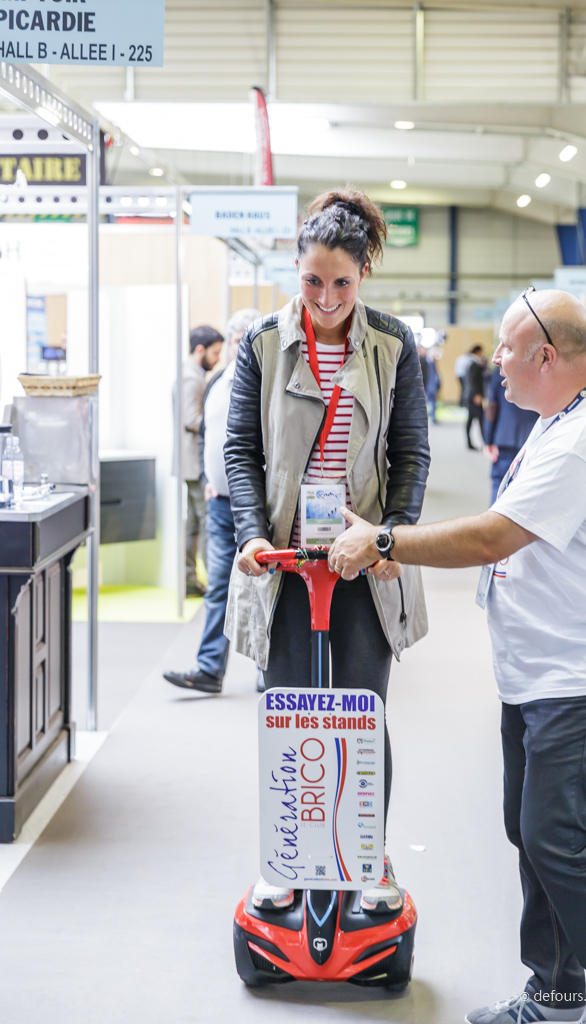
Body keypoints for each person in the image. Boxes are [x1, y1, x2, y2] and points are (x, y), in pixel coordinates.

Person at [328, 287, 586, 1024]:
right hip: (544, 670)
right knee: (531, 831)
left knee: (554, 834)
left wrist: (383, 539)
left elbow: (491, 535)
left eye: (507, 349)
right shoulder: (557, 420)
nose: (495, 362)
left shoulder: (585, 437)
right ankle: (553, 994)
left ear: (546, 354)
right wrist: (398, 551)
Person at [224, 186, 430, 914]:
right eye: (312, 280)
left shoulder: (394, 344)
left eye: (342, 281)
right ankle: (288, 855)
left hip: (362, 562)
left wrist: (392, 534)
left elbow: (410, 453)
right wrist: (251, 531)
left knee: (357, 713)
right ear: (295, 265)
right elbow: (240, 450)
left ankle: (365, 856)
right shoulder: (260, 343)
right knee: (286, 712)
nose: (326, 296)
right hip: (284, 566)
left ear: (364, 272)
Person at [163, 309, 261, 695]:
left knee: (264, 588)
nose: (246, 347)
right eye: (240, 340)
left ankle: (269, 673)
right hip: (220, 504)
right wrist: (206, 477)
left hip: (257, 507)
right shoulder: (218, 379)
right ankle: (209, 669)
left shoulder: (270, 380)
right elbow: (207, 432)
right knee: (218, 585)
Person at [174, 325, 224, 597]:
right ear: (200, 349)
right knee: (205, 525)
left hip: (190, 463)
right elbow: (191, 419)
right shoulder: (191, 378)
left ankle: (191, 578)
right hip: (195, 464)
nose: (217, 359)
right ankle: (210, 580)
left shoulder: (191, 375)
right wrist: (220, 420)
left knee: (194, 525)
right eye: (215, 353)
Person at [483, 364, 538, 506]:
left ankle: (493, 527)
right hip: (534, 436)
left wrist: (488, 439)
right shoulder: (542, 365)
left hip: (505, 435)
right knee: (529, 491)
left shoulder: (501, 368)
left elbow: (492, 405)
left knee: (499, 485)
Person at [464, 344, 487, 450]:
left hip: (472, 395)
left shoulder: (474, 363)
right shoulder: (473, 364)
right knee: (479, 419)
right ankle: (485, 441)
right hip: (474, 396)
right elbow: (473, 381)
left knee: (472, 419)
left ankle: (471, 442)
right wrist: (477, 394)